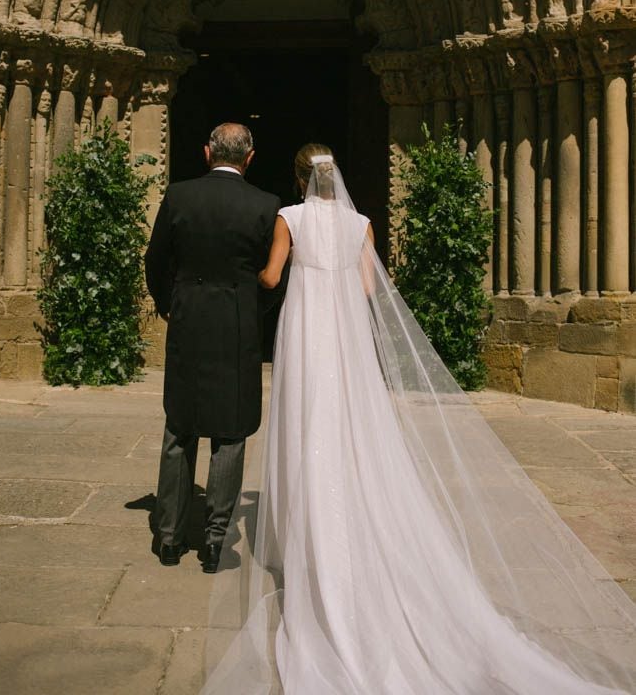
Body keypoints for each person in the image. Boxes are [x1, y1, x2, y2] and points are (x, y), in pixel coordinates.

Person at [200, 143, 636, 694]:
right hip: (345, 335)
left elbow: (270, 278)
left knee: (305, 423)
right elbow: (365, 287)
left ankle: (310, 531)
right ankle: (351, 516)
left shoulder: (290, 217)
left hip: (307, 333)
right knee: (350, 424)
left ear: (298, 177)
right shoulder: (360, 224)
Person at [145, 122, 280, 572]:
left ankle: (168, 537)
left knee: (179, 425)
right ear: (250, 157)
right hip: (237, 324)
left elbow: (155, 258)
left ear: (206, 152)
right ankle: (215, 538)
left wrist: (171, 304)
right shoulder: (265, 205)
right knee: (230, 430)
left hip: (188, 320)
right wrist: (252, 311)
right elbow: (272, 277)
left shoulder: (179, 195)